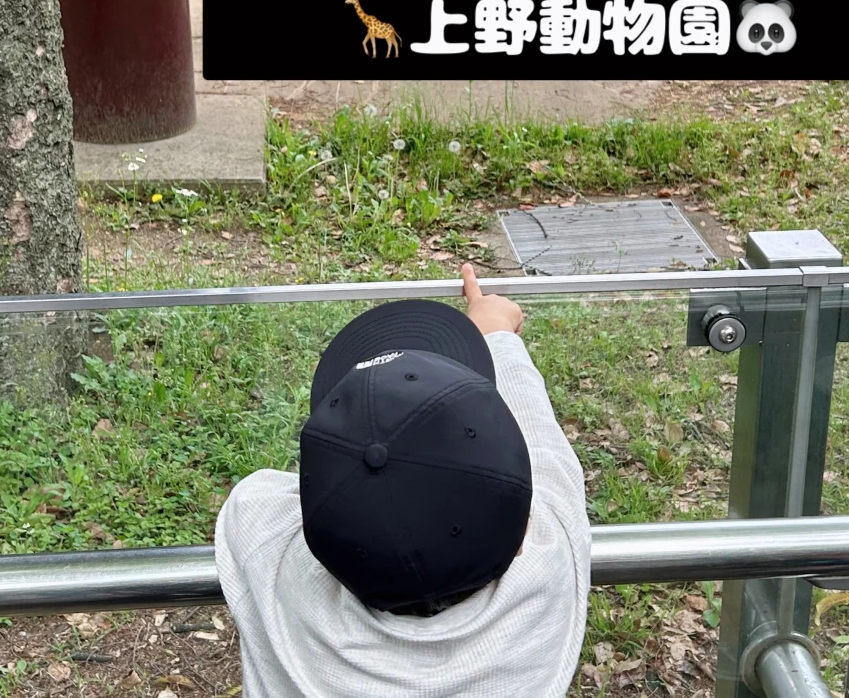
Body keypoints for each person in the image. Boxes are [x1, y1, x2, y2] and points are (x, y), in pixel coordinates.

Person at [215, 265, 591, 697]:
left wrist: (351, 467)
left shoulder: (275, 565)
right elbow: (538, 433)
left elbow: (257, 495)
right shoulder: (550, 564)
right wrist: (495, 332)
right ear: (525, 530)